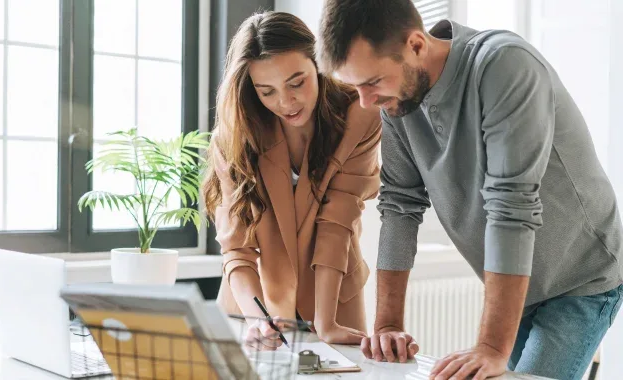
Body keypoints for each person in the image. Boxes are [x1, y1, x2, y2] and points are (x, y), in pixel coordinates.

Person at [316, 1, 623, 379]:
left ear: (415, 44)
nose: (366, 102)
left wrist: (491, 347)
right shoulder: (397, 102)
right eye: (356, 86)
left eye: (373, 82)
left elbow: (511, 205)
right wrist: (387, 326)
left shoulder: (505, 65)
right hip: (522, 283)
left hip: (580, 278)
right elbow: (399, 205)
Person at [203, 11, 382, 350]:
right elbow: (237, 249)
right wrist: (258, 321)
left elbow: (338, 223)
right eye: (266, 91)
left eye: (296, 82)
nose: (285, 103)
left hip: (333, 300)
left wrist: (326, 323)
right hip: (254, 305)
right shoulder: (235, 137)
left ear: (318, 63)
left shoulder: (359, 114)